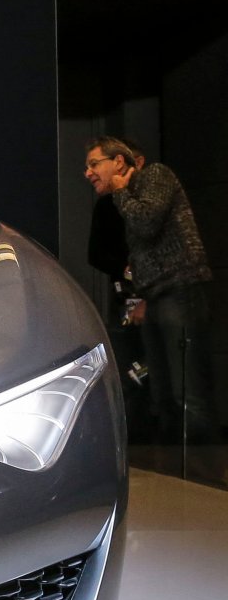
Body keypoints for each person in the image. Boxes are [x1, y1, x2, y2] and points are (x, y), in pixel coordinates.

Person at [84, 137, 215, 445]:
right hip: (154, 295)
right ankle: (173, 471)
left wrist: (119, 191)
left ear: (118, 162)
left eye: (94, 164)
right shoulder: (121, 199)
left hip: (178, 289)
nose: (88, 173)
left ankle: (202, 472)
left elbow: (147, 223)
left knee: (187, 387)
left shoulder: (156, 175)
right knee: (161, 387)